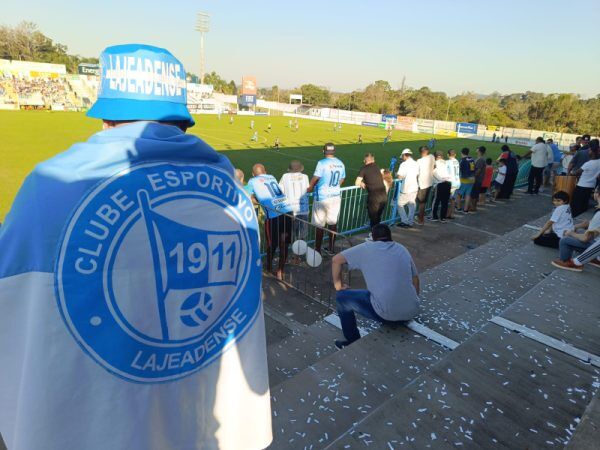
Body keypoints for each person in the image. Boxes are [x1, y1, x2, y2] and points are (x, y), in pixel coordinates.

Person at [0, 44, 272, 450]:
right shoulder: (232, 194)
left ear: (107, 117)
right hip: (204, 422)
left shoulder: (48, 190)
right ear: (182, 119)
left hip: (98, 428)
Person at [331, 224, 419, 348]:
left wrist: (338, 284)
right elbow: (415, 279)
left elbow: (336, 260)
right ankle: (402, 311)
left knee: (342, 297)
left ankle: (352, 340)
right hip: (412, 310)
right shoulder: (402, 248)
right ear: (390, 237)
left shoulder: (366, 248)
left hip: (387, 314)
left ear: (372, 238)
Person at [247, 164, 293, 280]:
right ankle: (280, 271)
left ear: (253, 174)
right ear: (265, 171)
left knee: (272, 244)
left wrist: (255, 199)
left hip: (273, 215)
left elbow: (247, 195)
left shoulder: (252, 181)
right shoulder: (271, 177)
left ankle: (268, 268)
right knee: (284, 244)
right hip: (288, 211)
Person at [308, 143, 346, 254]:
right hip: (335, 196)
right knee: (332, 223)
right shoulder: (340, 163)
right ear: (334, 151)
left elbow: (316, 178)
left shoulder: (322, 163)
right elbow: (342, 179)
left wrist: (310, 187)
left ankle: (318, 250)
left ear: (323, 151)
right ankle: (331, 248)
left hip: (322, 196)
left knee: (319, 225)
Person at [552, 188, 600, 271]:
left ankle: (567, 262)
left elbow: (585, 239)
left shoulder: (599, 214)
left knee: (565, 240)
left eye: (594, 192)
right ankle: (596, 258)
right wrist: (577, 227)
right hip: (596, 242)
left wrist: (570, 233)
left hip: (596, 245)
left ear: (598, 194)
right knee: (577, 233)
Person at [279, 160, 310, 241]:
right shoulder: (305, 176)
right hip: (303, 208)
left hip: (291, 209)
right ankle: (299, 251)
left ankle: (291, 250)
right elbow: (308, 188)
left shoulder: (285, 176)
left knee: (290, 232)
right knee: (302, 234)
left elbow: (280, 190)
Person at [355, 153, 387, 227]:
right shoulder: (376, 167)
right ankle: (378, 234)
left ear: (364, 161)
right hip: (383, 196)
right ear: (373, 160)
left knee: (373, 218)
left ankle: (373, 235)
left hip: (374, 197)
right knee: (378, 217)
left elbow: (357, 182)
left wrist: (362, 183)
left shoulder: (364, 168)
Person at [570, 140, 600, 217]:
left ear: (593, 152)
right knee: (584, 202)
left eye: (589, 150)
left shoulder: (588, 164)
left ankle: (574, 216)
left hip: (582, 185)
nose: (588, 151)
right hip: (591, 185)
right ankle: (580, 215)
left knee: (575, 203)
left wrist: (572, 172)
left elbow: (577, 172)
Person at [395, 148, 419, 228]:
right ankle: (410, 221)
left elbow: (400, 177)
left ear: (405, 155)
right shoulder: (416, 163)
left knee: (399, 204)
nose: (402, 157)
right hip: (414, 187)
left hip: (406, 188)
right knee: (411, 205)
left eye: (402, 156)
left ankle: (405, 221)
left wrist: (396, 174)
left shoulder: (404, 164)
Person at [416, 146, 435, 225]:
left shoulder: (419, 161)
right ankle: (420, 216)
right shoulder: (431, 157)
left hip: (423, 184)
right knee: (423, 202)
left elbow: (416, 173)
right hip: (430, 182)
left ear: (420, 152)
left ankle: (421, 220)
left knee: (421, 202)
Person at [430, 151, 451, 222]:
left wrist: (440, 180)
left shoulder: (435, 163)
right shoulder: (446, 162)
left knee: (436, 201)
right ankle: (443, 218)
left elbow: (434, 173)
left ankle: (434, 216)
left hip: (440, 183)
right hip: (448, 182)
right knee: (445, 201)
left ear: (436, 157)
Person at [456, 148, 475, 213]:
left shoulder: (462, 160)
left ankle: (458, 207)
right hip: (472, 179)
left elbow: (459, 169)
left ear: (461, 153)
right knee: (468, 195)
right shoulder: (472, 159)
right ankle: (465, 209)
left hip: (464, 180)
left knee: (458, 194)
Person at [470, 146, 487, 211]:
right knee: (475, 194)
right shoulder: (480, 159)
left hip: (477, 180)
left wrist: (473, 177)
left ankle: (473, 207)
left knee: (474, 194)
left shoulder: (480, 159)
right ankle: (473, 207)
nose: (476, 150)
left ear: (479, 151)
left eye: (477, 149)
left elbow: (478, 170)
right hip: (478, 179)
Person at [446, 149, 461, 219]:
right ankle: (452, 214)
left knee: (448, 199)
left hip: (451, 183)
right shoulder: (457, 161)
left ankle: (447, 214)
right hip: (457, 182)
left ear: (448, 155)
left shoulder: (447, 162)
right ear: (455, 155)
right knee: (453, 200)